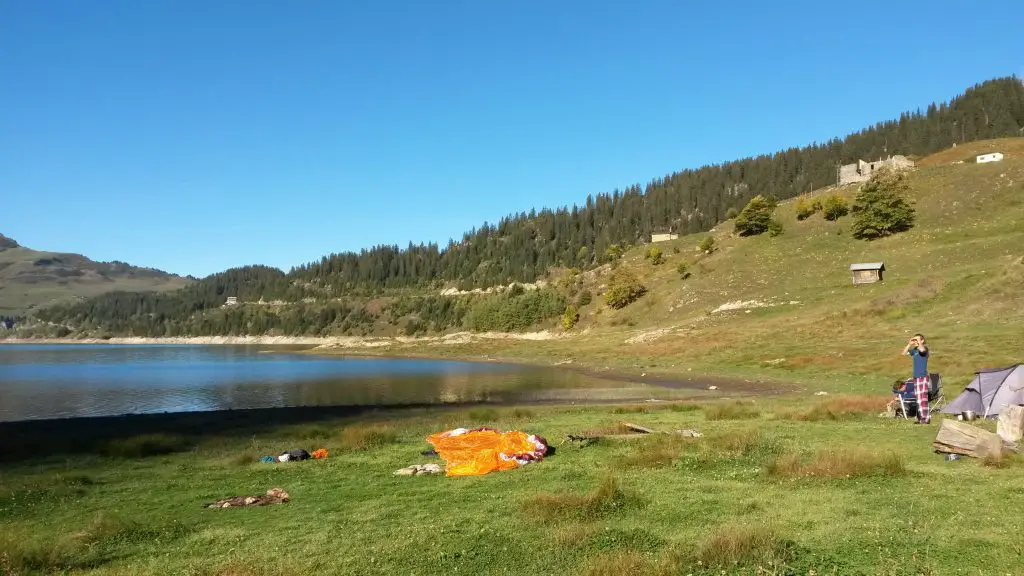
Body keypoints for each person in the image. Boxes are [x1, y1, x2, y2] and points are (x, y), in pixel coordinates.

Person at [902, 334, 930, 424]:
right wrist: (909, 344)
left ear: (922, 341)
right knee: (918, 399)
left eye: (917, 340)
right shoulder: (914, 351)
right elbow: (903, 353)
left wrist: (918, 340)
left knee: (923, 398)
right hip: (916, 377)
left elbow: (922, 350)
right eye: (915, 340)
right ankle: (921, 418)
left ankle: (925, 419)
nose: (915, 342)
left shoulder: (925, 349)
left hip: (923, 377)